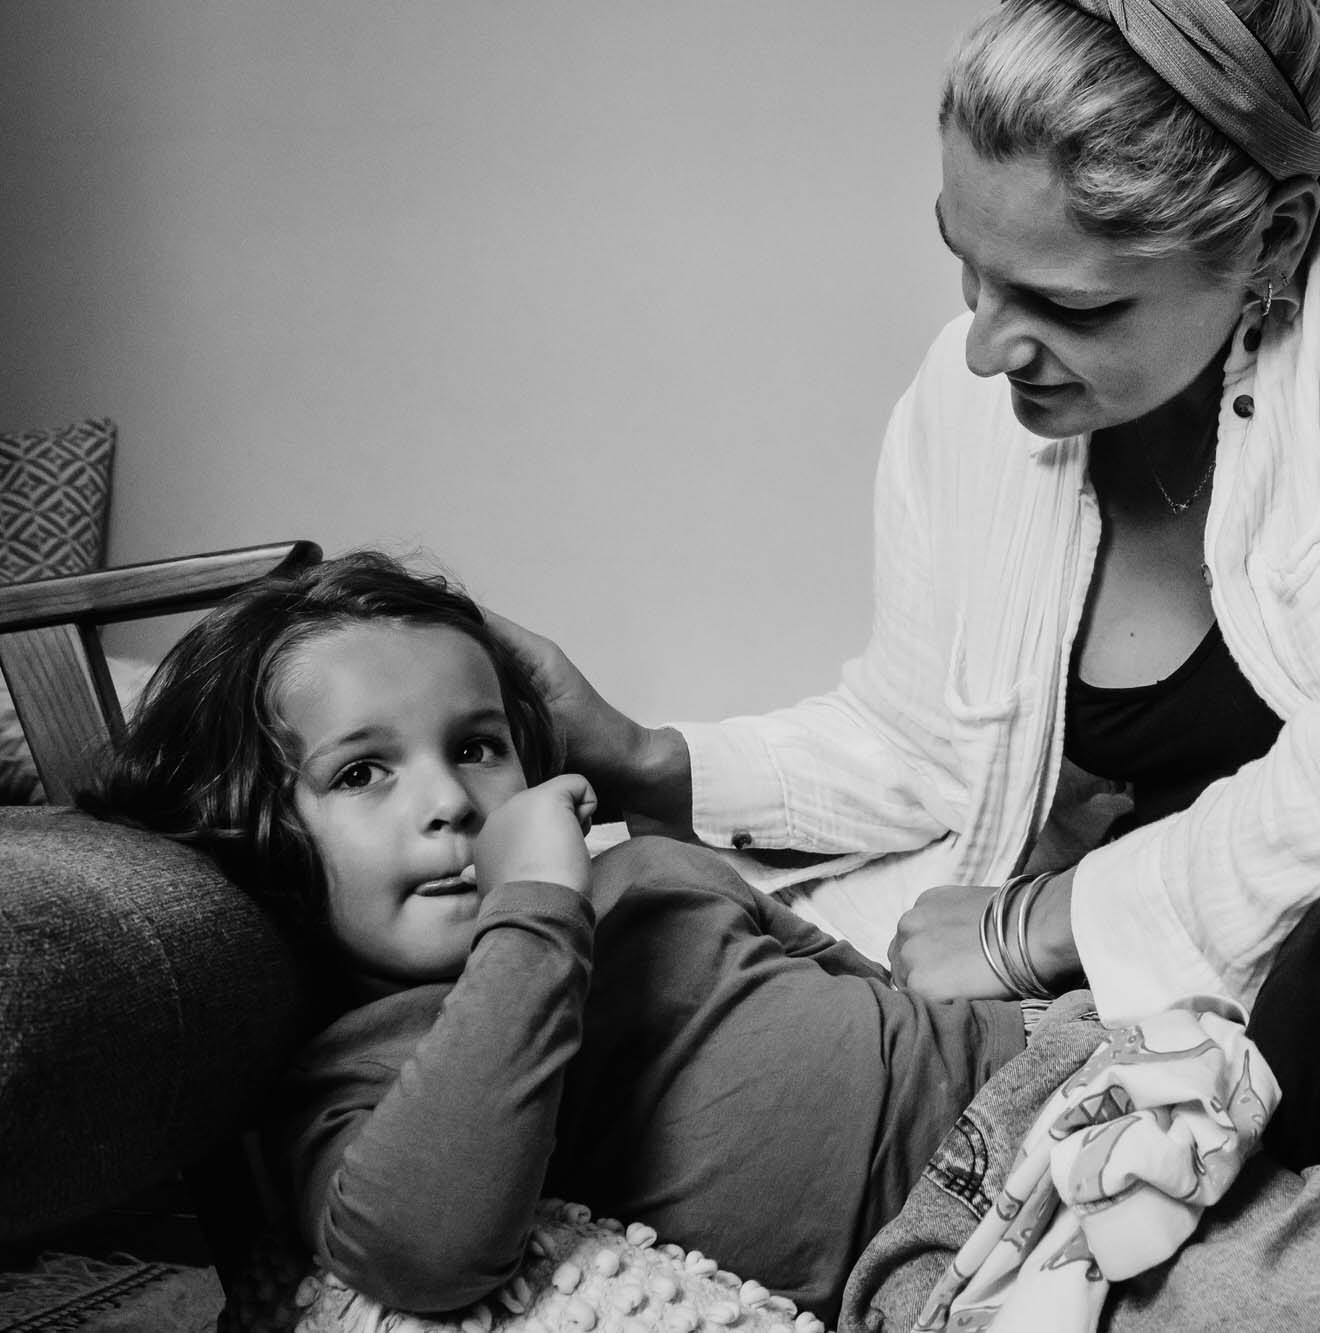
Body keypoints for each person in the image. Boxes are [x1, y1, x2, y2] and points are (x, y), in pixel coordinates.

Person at [500, 2, 1320, 1327]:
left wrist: (1041, 924)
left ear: (1274, 239)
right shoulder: (971, 399)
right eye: (966, 267)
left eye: (1065, 302)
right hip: (1150, 1047)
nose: (984, 345)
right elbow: (928, 744)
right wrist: (648, 756)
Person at [84, 551, 1029, 1323]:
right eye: (364, 771)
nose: (450, 801)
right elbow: (425, 1253)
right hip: (947, 1258)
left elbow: (861, 990)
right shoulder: (358, 1077)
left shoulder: (651, 874)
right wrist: (533, 910)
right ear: (254, 831)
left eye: (475, 746)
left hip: (1053, 1076)